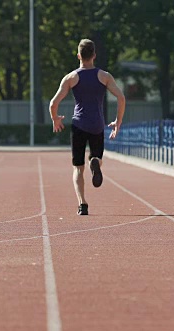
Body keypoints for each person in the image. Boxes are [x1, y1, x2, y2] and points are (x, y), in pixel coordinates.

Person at [49, 38, 126, 216]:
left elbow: (53, 103)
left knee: (77, 168)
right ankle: (96, 162)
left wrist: (55, 119)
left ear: (78, 56)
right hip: (97, 125)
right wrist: (117, 122)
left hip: (78, 125)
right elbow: (121, 98)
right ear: (94, 56)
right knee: (97, 157)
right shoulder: (104, 76)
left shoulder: (71, 77)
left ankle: (82, 204)